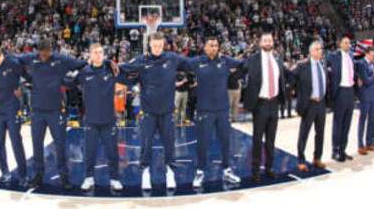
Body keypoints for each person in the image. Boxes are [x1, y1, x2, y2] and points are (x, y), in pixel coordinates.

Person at [119, 31, 192, 190]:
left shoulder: (172, 58)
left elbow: (190, 64)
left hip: (167, 112)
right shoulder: (141, 60)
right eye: (155, 45)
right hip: (148, 112)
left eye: (160, 45)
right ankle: (145, 172)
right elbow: (124, 68)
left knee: (169, 144)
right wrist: (110, 67)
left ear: (163, 44)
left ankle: (170, 172)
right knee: (146, 144)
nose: (158, 48)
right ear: (150, 45)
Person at [14, 39, 89, 190]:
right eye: (41, 54)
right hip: (37, 110)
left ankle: (64, 176)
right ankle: (38, 176)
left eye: (46, 54)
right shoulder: (32, 57)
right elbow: (15, 60)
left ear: (51, 50)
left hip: (56, 110)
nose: (43, 57)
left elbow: (82, 64)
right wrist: (28, 79)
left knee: (60, 145)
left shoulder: (61, 58)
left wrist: (70, 83)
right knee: (37, 145)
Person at [64, 43, 125, 192]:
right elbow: (69, 82)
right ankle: (88, 177)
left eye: (101, 52)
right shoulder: (84, 72)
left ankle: (115, 178)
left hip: (108, 120)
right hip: (91, 120)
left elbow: (127, 72)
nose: (98, 55)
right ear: (90, 55)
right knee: (90, 152)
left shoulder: (112, 69)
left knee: (113, 153)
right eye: (95, 52)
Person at [188, 37, 243, 188]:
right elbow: (179, 64)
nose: (214, 48)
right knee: (203, 144)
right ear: (204, 47)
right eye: (211, 45)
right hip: (205, 110)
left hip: (223, 110)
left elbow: (243, 65)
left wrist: (234, 77)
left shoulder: (225, 60)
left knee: (226, 141)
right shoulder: (197, 62)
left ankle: (227, 170)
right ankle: (200, 171)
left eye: (216, 45)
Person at [240, 32, 292, 181]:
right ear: (260, 43)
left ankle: (269, 168)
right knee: (257, 139)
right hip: (260, 104)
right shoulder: (253, 59)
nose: (268, 42)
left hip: (274, 103)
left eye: (270, 40)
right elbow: (241, 70)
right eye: (265, 40)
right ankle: (255, 170)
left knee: (271, 140)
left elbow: (287, 74)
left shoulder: (277, 59)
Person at [0, 46, 28, 184]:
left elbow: (27, 76)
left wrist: (21, 89)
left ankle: (23, 175)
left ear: (2, 55)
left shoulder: (13, 63)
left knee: (16, 142)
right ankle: (5, 172)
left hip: (12, 108)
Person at [295, 41, 328, 172]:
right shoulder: (303, 66)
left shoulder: (323, 65)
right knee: (304, 133)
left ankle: (317, 158)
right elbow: (293, 79)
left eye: (321, 49)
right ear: (311, 52)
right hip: (309, 103)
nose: (320, 51)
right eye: (317, 49)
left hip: (321, 103)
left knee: (320, 133)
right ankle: (301, 160)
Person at [326, 36, 356, 162]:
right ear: (340, 44)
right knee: (338, 123)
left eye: (349, 43)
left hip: (350, 91)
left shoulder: (352, 57)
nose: (348, 45)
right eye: (345, 43)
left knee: (347, 123)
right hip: (340, 91)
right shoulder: (333, 56)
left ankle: (343, 149)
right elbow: (324, 66)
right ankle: (335, 150)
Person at [356, 47, 374, 155]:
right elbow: (366, 80)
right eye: (371, 54)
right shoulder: (362, 63)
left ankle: (369, 142)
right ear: (367, 54)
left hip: (373, 95)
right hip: (365, 95)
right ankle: (360, 144)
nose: (373, 56)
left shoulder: (372, 63)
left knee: (372, 120)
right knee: (363, 120)